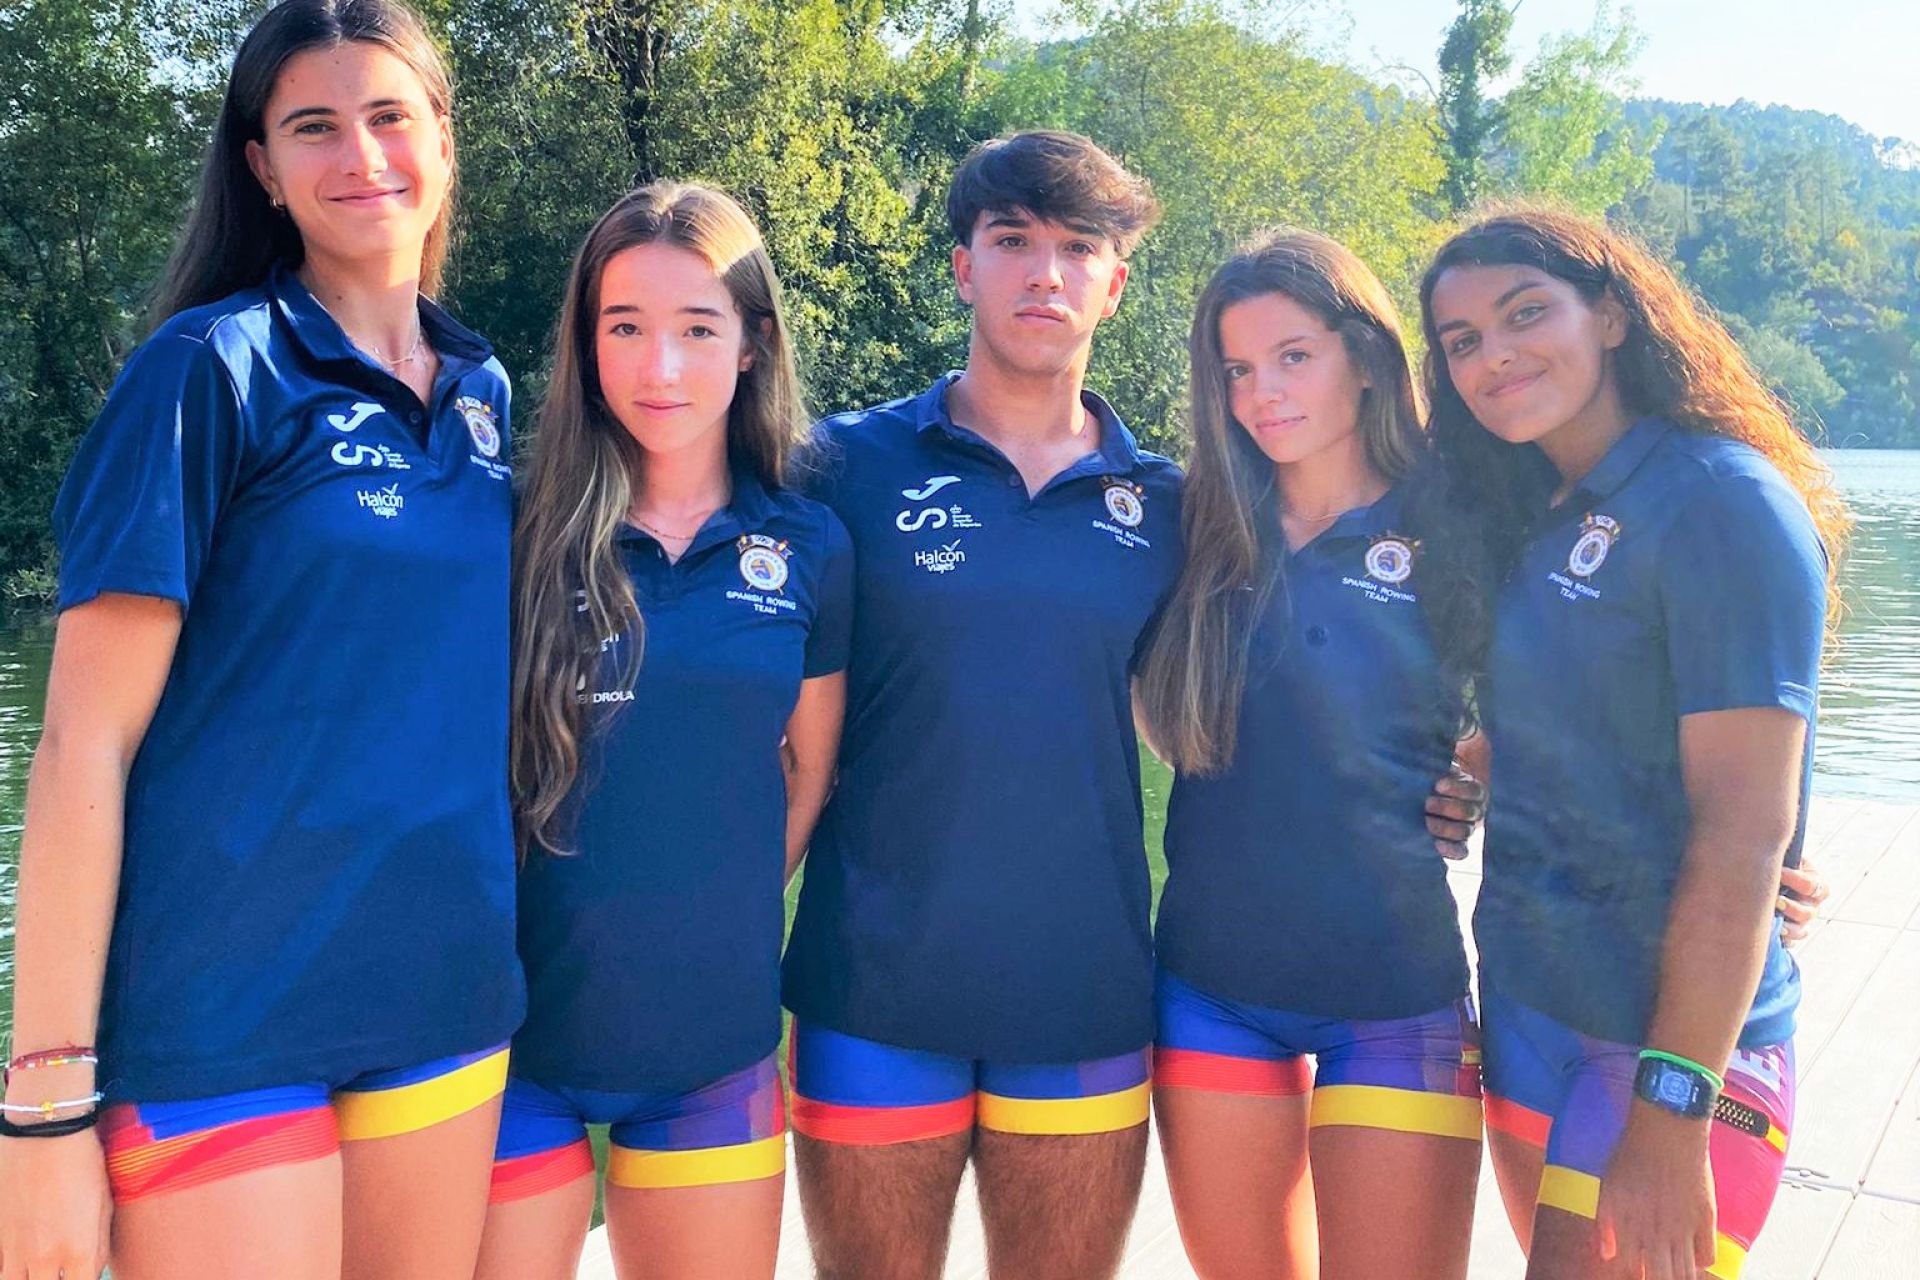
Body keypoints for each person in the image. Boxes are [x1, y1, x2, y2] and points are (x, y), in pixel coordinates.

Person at [0, 2, 522, 1278]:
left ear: (443, 138)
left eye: (390, 116)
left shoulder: (485, 392)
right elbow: (79, 744)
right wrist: (43, 1108)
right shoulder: (206, 372)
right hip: (225, 1020)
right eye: (314, 127)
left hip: (442, 1001)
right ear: (263, 168)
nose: (362, 155)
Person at [777, 130, 1179, 1280]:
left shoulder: (1167, 504)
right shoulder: (841, 464)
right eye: (1012, 241)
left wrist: (1431, 771)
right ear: (963, 267)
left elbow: (1256, 701)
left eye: (1078, 247)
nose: (1045, 272)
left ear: (1115, 281)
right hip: (872, 990)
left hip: (1082, 990)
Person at [1421, 206, 1848, 1280]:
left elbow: (1746, 831)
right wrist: (1472, 770)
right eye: (1463, 339)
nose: (1494, 354)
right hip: (1530, 1002)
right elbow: (1585, 711)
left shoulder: (1722, 501)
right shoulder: (1532, 508)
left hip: (1670, 1048)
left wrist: (1671, 1110)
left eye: (1526, 313)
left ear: (1612, 316)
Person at [474, 182, 851, 1280]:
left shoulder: (810, 544)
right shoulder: (512, 530)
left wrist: (711, 903)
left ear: (752, 343)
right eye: (626, 327)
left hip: (710, 1046)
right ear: (586, 343)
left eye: (697, 328)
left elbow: (811, 770)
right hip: (509, 1041)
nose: (662, 367)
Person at [1135, 230, 1490, 1280]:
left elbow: (1583, 677)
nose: (1263, 394)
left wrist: (1480, 767)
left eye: (1293, 356)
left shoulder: (1457, 520)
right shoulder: (1196, 524)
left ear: (1366, 356)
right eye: (1238, 370)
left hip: (1394, 986)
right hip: (1210, 986)